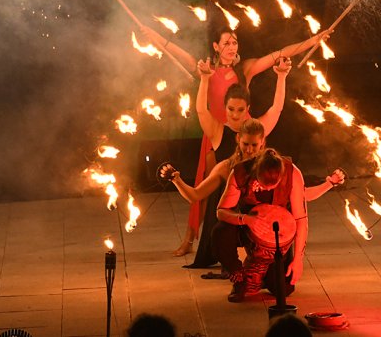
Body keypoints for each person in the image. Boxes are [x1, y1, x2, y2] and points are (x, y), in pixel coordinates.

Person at [139, 23, 329, 256]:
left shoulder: (245, 69)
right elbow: (177, 52)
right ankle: (192, 239)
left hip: (246, 134)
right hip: (217, 133)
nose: (231, 46)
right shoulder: (206, 68)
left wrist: (315, 40)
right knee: (209, 190)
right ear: (216, 47)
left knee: (254, 186)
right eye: (226, 42)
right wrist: (153, 35)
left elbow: (279, 54)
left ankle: (260, 236)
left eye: (235, 42)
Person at [160, 118, 345, 272]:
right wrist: (176, 180)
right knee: (220, 231)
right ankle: (236, 271)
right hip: (242, 227)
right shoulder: (227, 168)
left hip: (271, 232)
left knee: (282, 285)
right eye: (245, 144)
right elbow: (195, 195)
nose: (249, 150)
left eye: (254, 145)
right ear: (238, 140)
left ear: (262, 142)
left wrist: (329, 183)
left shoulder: (274, 167)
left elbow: (303, 196)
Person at [213, 148, 309, 303]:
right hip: (246, 228)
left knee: (284, 289)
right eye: (265, 185)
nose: (270, 189)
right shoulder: (241, 172)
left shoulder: (293, 173)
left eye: (274, 185)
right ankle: (240, 277)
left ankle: (261, 272)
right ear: (256, 173)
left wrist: (298, 259)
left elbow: (301, 219)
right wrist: (246, 219)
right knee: (220, 231)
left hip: (276, 236)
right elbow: (221, 211)